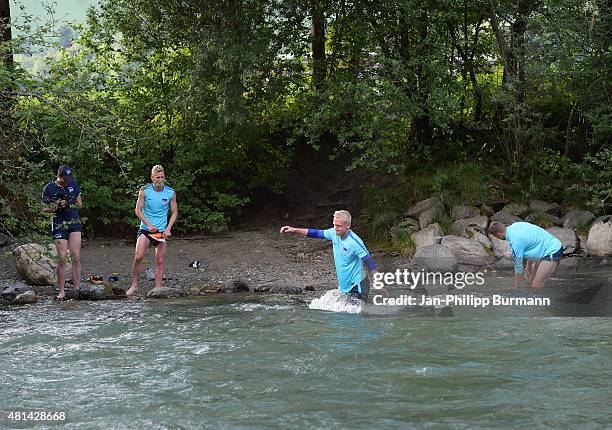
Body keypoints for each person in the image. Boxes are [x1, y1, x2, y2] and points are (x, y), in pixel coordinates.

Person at [280, 210, 378, 302]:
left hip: (358, 285)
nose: (336, 228)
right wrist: (294, 229)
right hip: (344, 285)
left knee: (355, 316)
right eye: (334, 225)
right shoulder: (333, 233)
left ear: (348, 225)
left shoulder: (354, 242)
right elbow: (316, 233)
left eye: (339, 226)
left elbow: (369, 261)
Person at [127, 165, 178, 296]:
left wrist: (168, 228)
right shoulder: (145, 191)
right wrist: (148, 224)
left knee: (160, 260)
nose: (160, 179)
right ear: (152, 178)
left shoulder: (170, 192)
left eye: (162, 177)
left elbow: (174, 212)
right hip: (146, 229)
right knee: (138, 256)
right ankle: (134, 285)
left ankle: (157, 288)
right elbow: (137, 210)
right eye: (157, 177)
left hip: (161, 231)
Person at [42, 165, 83, 299]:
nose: (67, 181)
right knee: (62, 258)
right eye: (64, 178)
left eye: (68, 178)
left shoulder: (73, 185)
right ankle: (61, 291)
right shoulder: (49, 188)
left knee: (76, 256)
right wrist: (57, 206)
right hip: (59, 224)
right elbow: (44, 208)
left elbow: (80, 204)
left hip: (74, 222)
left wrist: (70, 203)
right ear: (58, 176)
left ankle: (77, 289)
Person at [488, 221, 563, 289]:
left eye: (496, 237)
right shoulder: (517, 225)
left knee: (536, 285)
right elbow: (531, 243)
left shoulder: (515, 242)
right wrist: (528, 266)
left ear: (499, 235)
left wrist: (516, 288)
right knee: (531, 278)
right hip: (544, 249)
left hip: (552, 250)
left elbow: (518, 268)